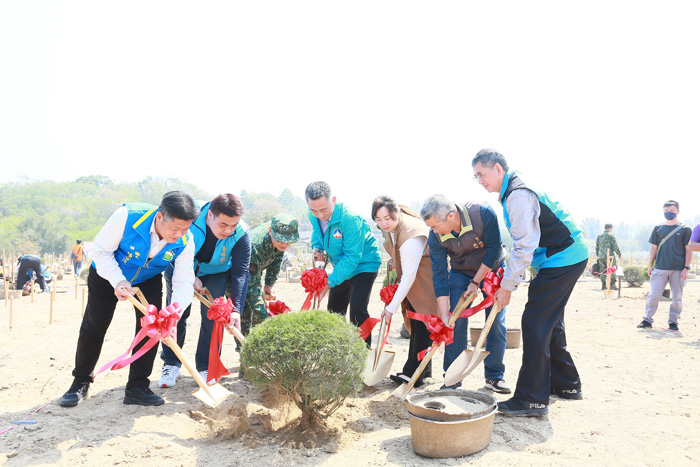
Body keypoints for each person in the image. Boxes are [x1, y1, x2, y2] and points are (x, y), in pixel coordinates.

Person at [472, 149, 589, 417]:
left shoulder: (518, 195)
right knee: (550, 323)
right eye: (475, 176)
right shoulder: (513, 188)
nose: (480, 180)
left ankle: (531, 399)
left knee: (535, 323)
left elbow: (524, 246)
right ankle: (566, 385)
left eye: (482, 174)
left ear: (498, 169)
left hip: (563, 258)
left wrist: (507, 287)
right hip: (561, 256)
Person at [60, 191, 200, 408]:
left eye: (186, 228)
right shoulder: (127, 216)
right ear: (160, 217)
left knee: (150, 329)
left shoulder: (186, 240)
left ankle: (137, 387)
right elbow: (101, 251)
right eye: (176, 228)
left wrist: (174, 314)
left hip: (148, 278)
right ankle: (80, 382)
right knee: (94, 325)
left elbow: (183, 281)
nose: (180, 234)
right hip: (108, 274)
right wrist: (117, 281)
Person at [420, 194, 510, 393]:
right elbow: (440, 273)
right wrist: (445, 314)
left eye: (436, 226)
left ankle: (494, 377)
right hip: (461, 272)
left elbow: (494, 249)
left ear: (451, 216)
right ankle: (453, 378)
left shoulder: (482, 213)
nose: (434, 231)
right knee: (454, 322)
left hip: (491, 269)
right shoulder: (435, 235)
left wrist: (476, 282)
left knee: (495, 321)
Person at [158, 194, 249, 388]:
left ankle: (207, 366)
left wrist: (236, 310)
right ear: (209, 215)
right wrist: (190, 275)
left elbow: (240, 273)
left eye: (233, 225)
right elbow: (170, 246)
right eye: (224, 224)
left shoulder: (241, 233)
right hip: (179, 268)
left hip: (216, 272)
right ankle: (171, 363)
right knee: (177, 314)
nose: (229, 230)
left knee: (214, 317)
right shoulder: (190, 218)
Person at [371, 196, 437, 387]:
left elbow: (408, 276)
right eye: (379, 219)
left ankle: (413, 373)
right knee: (417, 325)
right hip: (418, 279)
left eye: (388, 218)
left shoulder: (410, 234)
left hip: (425, 281)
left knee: (422, 323)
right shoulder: (397, 226)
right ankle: (423, 371)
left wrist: (390, 308)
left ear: (397, 212)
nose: (384, 223)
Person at [305, 181, 381, 346]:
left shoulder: (350, 217)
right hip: (341, 265)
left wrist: (329, 283)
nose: (320, 215)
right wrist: (318, 257)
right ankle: (336, 353)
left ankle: (362, 355)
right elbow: (318, 237)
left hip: (363, 266)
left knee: (357, 308)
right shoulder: (313, 216)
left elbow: (353, 257)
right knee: (334, 309)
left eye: (324, 209)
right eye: (314, 210)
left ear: (333, 199)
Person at [637, 201, 692, 331]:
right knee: (654, 295)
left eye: (672, 210)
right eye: (666, 210)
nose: (669, 213)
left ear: (678, 211)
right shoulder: (658, 228)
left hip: (678, 269)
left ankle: (673, 322)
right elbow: (653, 247)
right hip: (660, 267)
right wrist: (650, 265)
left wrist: (686, 268)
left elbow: (689, 250)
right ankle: (647, 320)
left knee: (677, 297)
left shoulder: (685, 229)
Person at [241, 213, 299, 336]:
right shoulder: (255, 246)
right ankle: (244, 349)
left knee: (258, 317)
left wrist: (269, 284)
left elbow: (277, 259)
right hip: (237, 276)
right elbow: (252, 289)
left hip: (255, 272)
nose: (284, 244)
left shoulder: (279, 233)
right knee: (246, 313)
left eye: (288, 241)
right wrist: (269, 321)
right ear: (270, 231)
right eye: (280, 240)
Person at [595, 224, 622, 290]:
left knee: (602, 270)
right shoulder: (611, 235)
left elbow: (597, 247)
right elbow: (615, 246)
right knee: (612, 269)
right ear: (610, 228)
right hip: (609, 256)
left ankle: (604, 285)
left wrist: (598, 255)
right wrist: (619, 254)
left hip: (601, 256)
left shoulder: (599, 236)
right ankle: (612, 284)